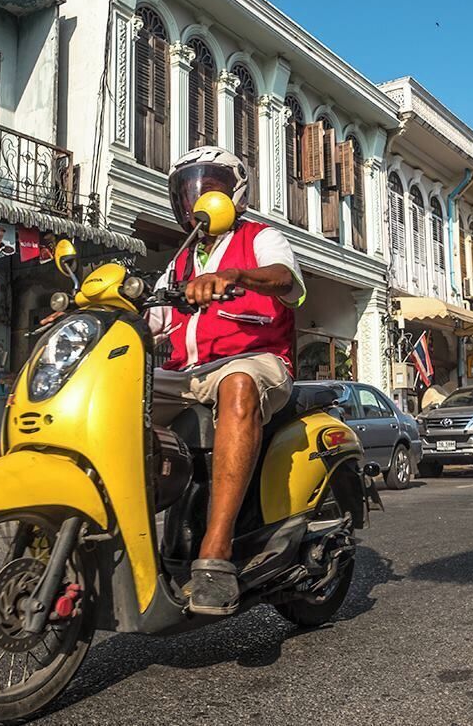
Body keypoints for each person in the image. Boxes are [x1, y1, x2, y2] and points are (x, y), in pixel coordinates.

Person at [146, 146, 305, 615]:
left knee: (238, 382)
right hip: (184, 375)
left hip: (255, 363)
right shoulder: (177, 262)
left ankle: (215, 556)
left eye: (208, 188)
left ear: (234, 193)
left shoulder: (260, 237)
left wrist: (235, 275)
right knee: (114, 389)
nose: (196, 199)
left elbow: (285, 279)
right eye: (187, 190)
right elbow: (152, 317)